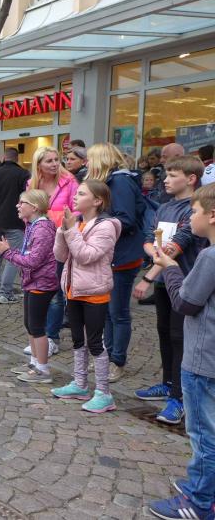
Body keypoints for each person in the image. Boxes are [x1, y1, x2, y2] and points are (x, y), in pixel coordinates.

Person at [148, 184, 215, 520]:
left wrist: (170, 268)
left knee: (204, 435)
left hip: (203, 358)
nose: (190, 218)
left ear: (212, 216)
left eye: (195, 212)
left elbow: (186, 302)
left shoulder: (209, 257)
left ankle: (200, 502)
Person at [132, 156, 206, 425]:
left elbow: (178, 245)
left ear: (191, 179)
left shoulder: (194, 208)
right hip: (165, 280)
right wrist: (155, 253)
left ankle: (179, 397)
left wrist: (147, 277)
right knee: (164, 331)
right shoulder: (164, 207)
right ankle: (167, 383)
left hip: (183, 280)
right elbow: (151, 239)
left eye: (173, 175)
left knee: (179, 336)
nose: (165, 180)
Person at [51, 180, 121, 413]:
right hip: (73, 289)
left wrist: (71, 231)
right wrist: (63, 229)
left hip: (93, 292)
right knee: (78, 340)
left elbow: (86, 256)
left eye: (81, 194)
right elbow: (60, 256)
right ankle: (80, 384)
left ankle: (104, 393)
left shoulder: (106, 226)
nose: (75, 197)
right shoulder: (77, 223)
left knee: (95, 342)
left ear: (97, 201)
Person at [86, 143, 146, 383]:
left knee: (117, 313)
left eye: (90, 159)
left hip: (122, 256)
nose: (87, 164)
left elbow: (126, 219)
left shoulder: (119, 182)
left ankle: (117, 361)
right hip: (112, 255)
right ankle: (107, 355)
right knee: (107, 312)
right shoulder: (111, 182)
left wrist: (96, 225)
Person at [0, 189, 58, 383]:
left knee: (37, 326)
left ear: (34, 207)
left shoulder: (42, 229)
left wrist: (7, 252)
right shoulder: (32, 225)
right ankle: (34, 363)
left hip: (42, 283)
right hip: (32, 281)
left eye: (22, 203)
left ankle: (43, 370)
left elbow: (33, 261)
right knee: (30, 324)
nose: (17, 206)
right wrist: (8, 251)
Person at [24, 147, 79, 357]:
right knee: (35, 289)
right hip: (38, 243)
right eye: (49, 161)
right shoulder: (32, 183)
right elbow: (27, 211)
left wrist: (53, 218)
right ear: (39, 164)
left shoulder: (69, 181)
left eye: (57, 159)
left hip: (60, 243)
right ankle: (38, 335)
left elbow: (76, 210)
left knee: (55, 292)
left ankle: (52, 337)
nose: (55, 164)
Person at [0, 147, 30, 304]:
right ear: (17, 158)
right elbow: (27, 198)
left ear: (3, 157)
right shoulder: (23, 174)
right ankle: (5, 293)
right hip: (14, 222)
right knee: (13, 257)